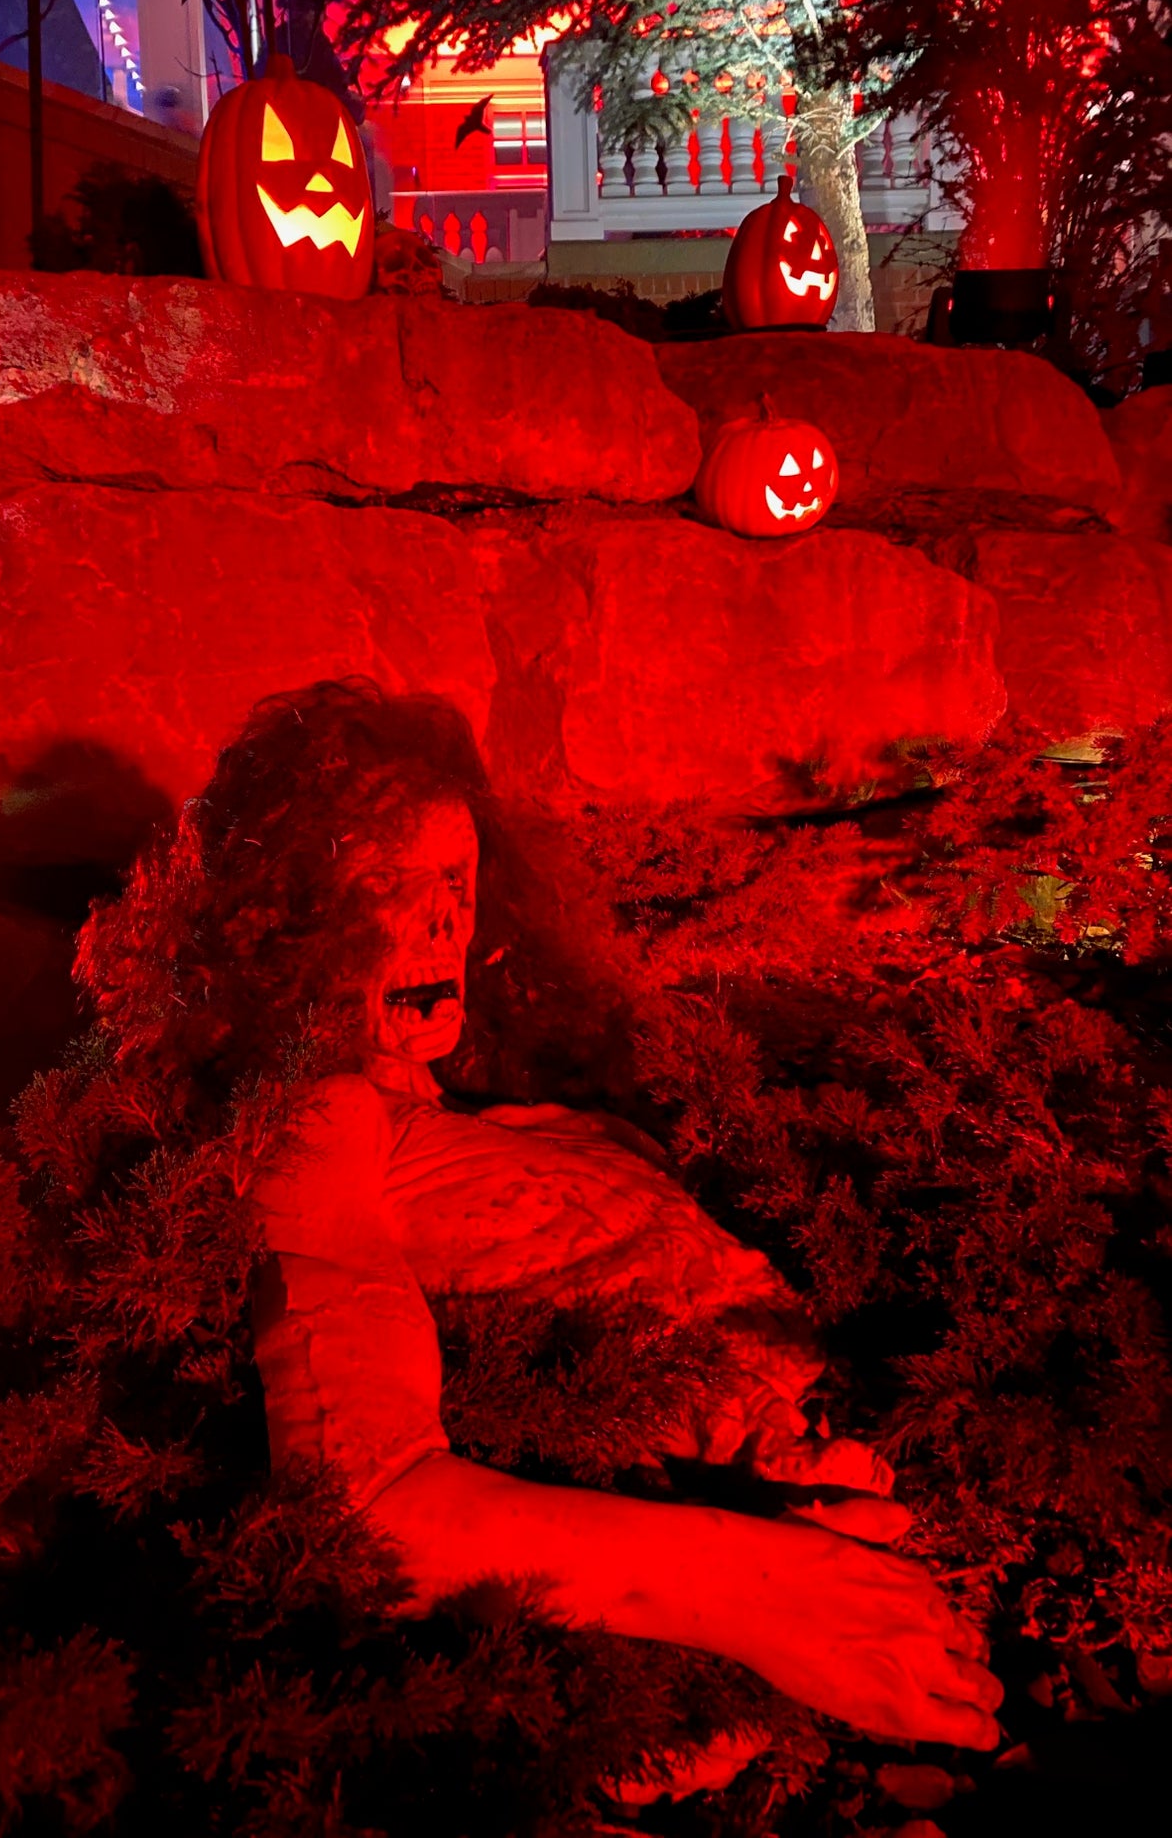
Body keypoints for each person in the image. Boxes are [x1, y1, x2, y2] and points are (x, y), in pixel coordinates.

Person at [92, 679, 1002, 1752]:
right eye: (385, 883)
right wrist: (766, 1591)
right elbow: (365, 1504)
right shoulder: (321, 1122)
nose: (441, 920)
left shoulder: (503, 1109)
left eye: (457, 878)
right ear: (286, 914)